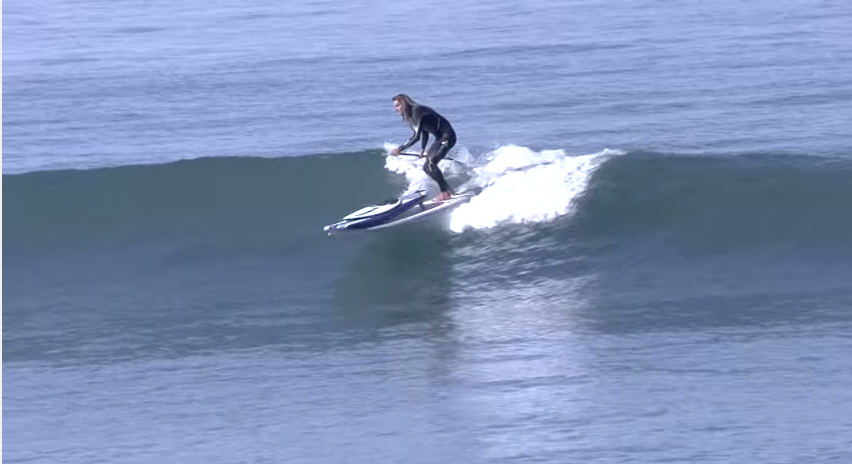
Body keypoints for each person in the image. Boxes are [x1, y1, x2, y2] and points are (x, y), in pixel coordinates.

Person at [390, 94, 457, 202]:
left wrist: (400, 149)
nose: (396, 109)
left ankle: (445, 193)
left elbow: (416, 137)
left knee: (431, 164)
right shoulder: (412, 115)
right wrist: (422, 148)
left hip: (448, 137)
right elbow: (424, 131)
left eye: (398, 105)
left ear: (404, 103)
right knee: (427, 167)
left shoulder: (416, 110)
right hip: (440, 138)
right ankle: (448, 191)